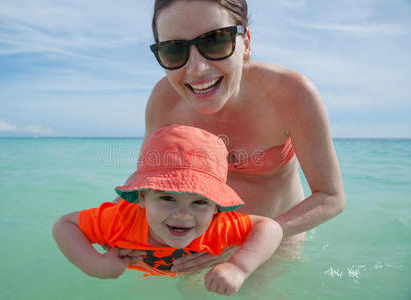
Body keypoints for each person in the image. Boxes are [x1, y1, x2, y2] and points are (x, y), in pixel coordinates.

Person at [122, 0, 345, 274]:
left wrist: (251, 240)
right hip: (196, 238)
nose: (197, 69)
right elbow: (148, 177)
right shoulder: (164, 100)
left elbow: (330, 197)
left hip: (275, 236)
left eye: (216, 41)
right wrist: (115, 227)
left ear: (246, 43)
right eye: (174, 49)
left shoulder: (291, 95)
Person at [52, 125, 283, 296]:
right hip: (138, 269)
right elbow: (65, 225)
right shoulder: (119, 221)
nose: (183, 214)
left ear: (216, 206)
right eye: (167, 197)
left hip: (195, 266)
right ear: (142, 197)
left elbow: (270, 228)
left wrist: (239, 266)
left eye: (200, 202)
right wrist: (94, 264)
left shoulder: (218, 225)